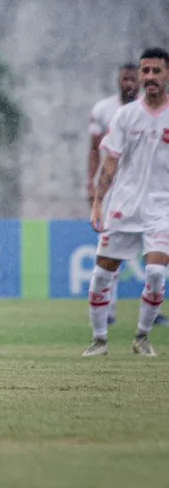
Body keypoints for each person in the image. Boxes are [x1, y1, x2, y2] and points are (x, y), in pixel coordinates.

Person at [84, 47, 169, 357]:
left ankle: (142, 337)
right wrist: (97, 202)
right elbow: (109, 163)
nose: (149, 77)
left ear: (167, 74)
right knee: (101, 276)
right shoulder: (125, 115)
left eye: (155, 71)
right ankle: (99, 340)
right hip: (123, 206)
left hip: (162, 210)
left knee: (157, 274)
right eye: (145, 71)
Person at [87, 63, 141, 325]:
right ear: (118, 81)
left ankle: (151, 310)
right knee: (111, 253)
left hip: (150, 192)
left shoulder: (155, 112)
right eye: (125, 79)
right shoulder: (104, 110)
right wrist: (92, 184)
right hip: (114, 191)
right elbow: (95, 150)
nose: (128, 84)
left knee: (157, 259)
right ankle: (109, 310)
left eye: (133, 79)